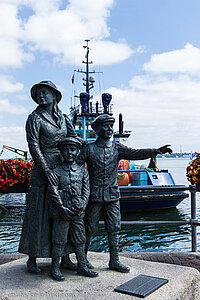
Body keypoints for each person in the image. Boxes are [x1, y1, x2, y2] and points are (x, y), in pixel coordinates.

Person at [77, 114, 172, 273]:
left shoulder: (117, 148)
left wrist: (156, 151)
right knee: (89, 228)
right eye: (105, 126)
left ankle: (114, 260)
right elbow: (76, 167)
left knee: (114, 227)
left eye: (110, 126)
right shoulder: (88, 148)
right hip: (93, 196)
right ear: (97, 129)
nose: (109, 129)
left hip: (112, 195)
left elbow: (135, 153)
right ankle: (83, 260)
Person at [18, 81, 78, 273]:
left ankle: (65, 256)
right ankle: (32, 257)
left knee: (63, 213)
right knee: (39, 214)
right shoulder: (34, 118)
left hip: (62, 168)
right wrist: (46, 170)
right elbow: (33, 146)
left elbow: (74, 139)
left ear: (54, 95)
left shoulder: (65, 118)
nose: (41, 96)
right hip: (43, 171)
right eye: (38, 94)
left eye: (45, 93)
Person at [48, 137, 98, 281]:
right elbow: (52, 191)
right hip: (61, 213)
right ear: (61, 151)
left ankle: (82, 265)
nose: (69, 152)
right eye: (66, 149)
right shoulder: (56, 171)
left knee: (80, 239)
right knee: (59, 240)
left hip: (77, 213)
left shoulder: (82, 171)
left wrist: (81, 204)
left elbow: (86, 191)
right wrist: (62, 207)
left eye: (73, 149)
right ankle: (55, 268)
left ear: (78, 151)